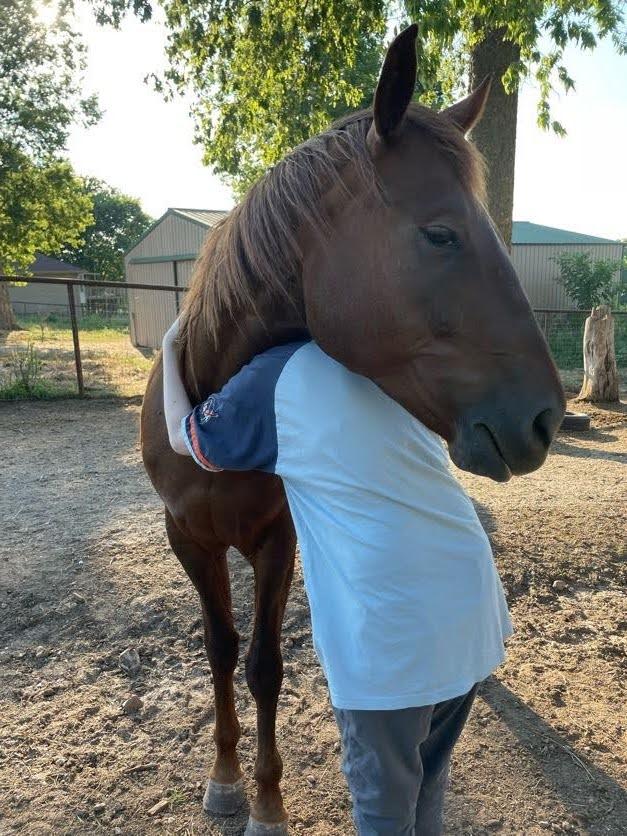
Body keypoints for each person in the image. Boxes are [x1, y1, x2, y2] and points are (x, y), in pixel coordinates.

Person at [161, 318, 512, 836]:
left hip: (390, 640)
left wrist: (169, 349)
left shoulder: (271, 381)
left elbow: (181, 435)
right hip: (473, 608)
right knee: (428, 783)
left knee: (384, 812)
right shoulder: (383, 359)